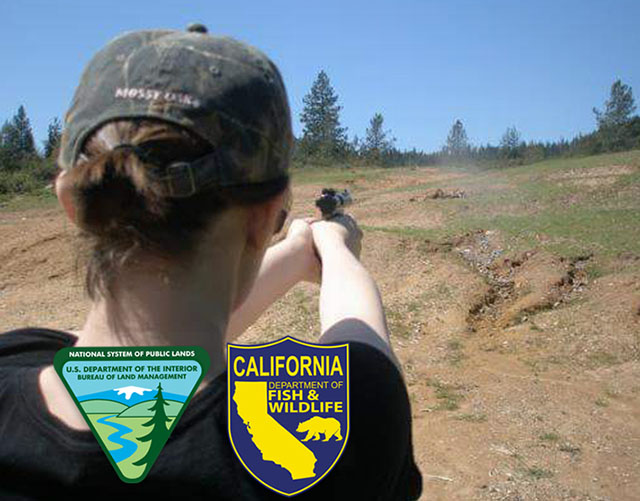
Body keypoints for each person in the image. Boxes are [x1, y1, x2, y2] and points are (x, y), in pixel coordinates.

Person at [0, 24, 422, 499]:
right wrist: (333, 244)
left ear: (71, 203)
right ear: (266, 216)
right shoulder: (325, 436)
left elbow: (152, 360)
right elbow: (361, 341)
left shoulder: (14, 363)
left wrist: (297, 248)